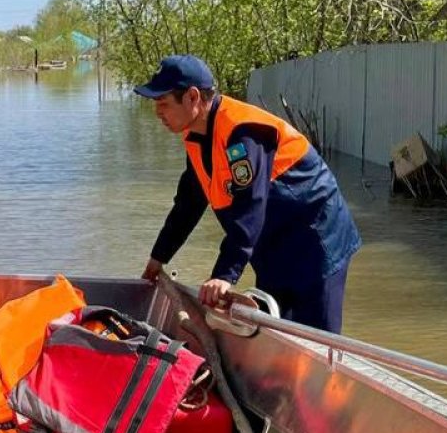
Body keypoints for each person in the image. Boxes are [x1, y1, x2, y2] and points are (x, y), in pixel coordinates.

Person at [136, 55, 360, 333]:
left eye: (163, 103)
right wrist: (159, 257)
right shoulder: (196, 135)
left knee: (318, 340)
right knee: (278, 332)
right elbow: (188, 204)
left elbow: (249, 205)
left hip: (317, 240)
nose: (158, 112)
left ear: (192, 97)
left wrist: (223, 275)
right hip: (273, 243)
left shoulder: (242, 133)